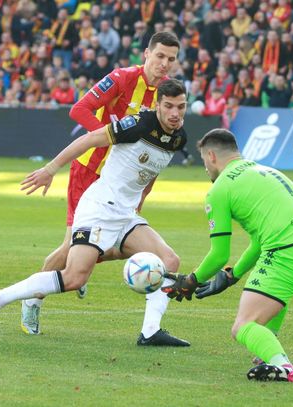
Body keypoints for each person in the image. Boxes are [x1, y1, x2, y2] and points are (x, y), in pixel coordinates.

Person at [0, 79, 191, 347]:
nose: (174, 113)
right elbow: (89, 138)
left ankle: (150, 332)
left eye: (180, 107)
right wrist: (50, 169)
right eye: (168, 106)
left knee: (169, 260)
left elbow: (150, 174)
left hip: (126, 214)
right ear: (157, 105)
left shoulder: (178, 137)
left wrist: (141, 202)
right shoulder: (138, 124)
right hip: (100, 208)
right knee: (75, 277)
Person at [18, 31, 184, 347]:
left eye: (171, 59)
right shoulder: (122, 78)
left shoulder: (167, 96)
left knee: (116, 245)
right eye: (160, 56)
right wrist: (112, 138)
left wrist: (141, 198)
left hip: (124, 185)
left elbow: (157, 156)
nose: (164, 63)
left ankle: (81, 264)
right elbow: (79, 109)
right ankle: (33, 300)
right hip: (89, 172)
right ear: (147, 54)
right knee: (69, 245)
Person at [162, 129, 293, 382]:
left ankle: (284, 366)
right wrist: (234, 274)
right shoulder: (267, 171)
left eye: (204, 160)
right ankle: (268, 351)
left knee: (242, 326)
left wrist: (191, 280)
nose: (205, 168)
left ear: (211, 156)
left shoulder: (220, 189)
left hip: (289, 252)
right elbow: (259, 241)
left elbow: (219, 254)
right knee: (277, 292)